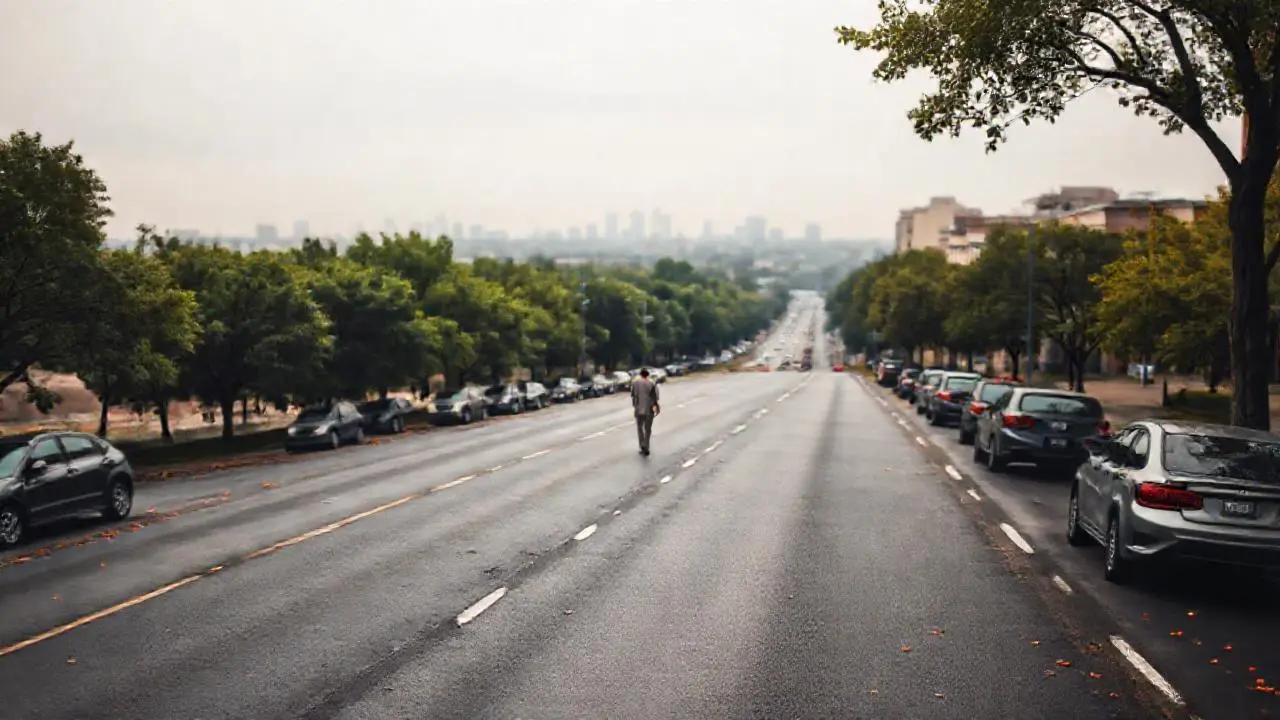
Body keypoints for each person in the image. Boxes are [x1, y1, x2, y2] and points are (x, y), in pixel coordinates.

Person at [631, 368, 660, 455]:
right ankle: (646, 445)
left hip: (638, 409)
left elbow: (632, 395)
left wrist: (635, 405)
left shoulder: (635, 383)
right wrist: (657, 407)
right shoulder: (651, 383)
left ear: (640, 374)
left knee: (640, 428)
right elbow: (655, 396)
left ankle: (642, 445)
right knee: (647, 429)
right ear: (647, 375)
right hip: (649, 409)